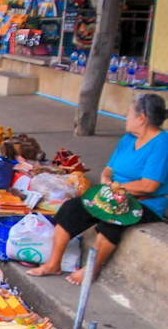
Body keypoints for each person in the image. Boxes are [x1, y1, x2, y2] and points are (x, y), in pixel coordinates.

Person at [29, 94, 168, 284]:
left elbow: (148, 185)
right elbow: (110, 168)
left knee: (112, 222)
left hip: (144, 202)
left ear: (141, 118)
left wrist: (116, 188)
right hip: (112, 194)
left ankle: (92, 269)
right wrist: (106, 179)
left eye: (129, 113)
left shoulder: (162, 144)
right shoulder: (128, 139)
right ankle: (53, 264)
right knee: (73, 208)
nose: (127, 117)